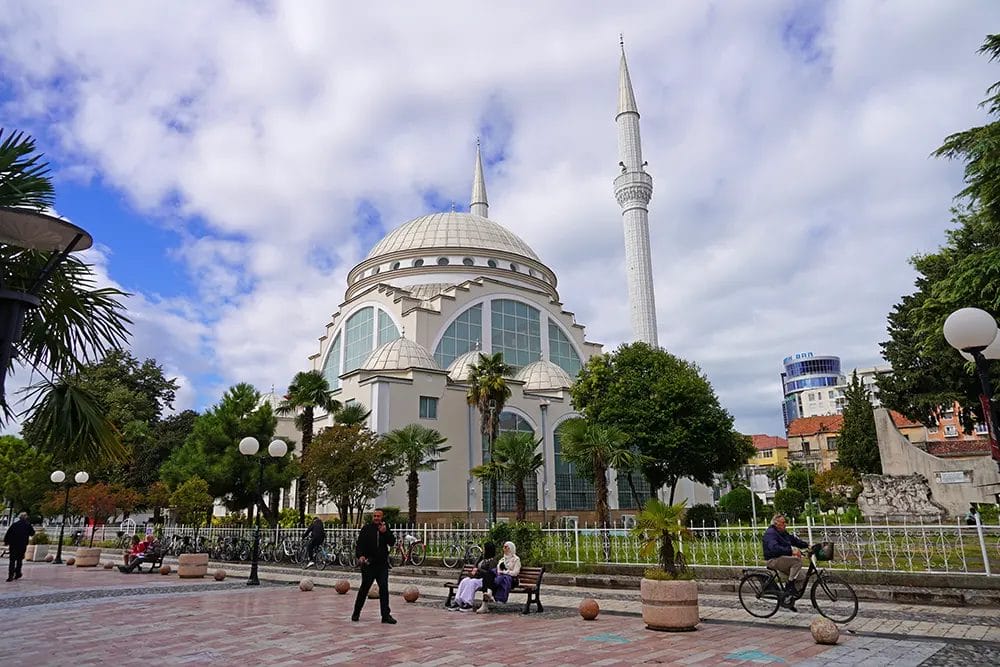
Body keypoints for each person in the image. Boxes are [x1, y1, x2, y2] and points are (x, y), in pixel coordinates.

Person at [352, 508, 397, 624]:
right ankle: (356, 612)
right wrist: (360, 556)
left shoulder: (385, 528)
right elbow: (360, 544)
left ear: (382, 517)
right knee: (364, 588)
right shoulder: (366, 529)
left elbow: (392, 542)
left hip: (381, 565)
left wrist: (385, 532)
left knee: (384, 589)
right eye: (375, 516)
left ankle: (385, 615)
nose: (376, 518)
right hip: (369, 564)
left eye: (379, 516)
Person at [762, 513, 809, 611]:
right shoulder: (771, 533)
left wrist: (807, 545)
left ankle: (788, 599)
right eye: (783, 523)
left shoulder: (782, 532)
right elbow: (774, 548)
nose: (785, 524)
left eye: (785, 522)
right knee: (797, 561)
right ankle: (790, 586)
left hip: (782, 559)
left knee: (801, 577)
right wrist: (791, 551)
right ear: (776, 523)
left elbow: (794, 540)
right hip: (773, 560)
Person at [448, 542, 497, 611]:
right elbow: (475, 566)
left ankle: (468, 603)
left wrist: (479, 571)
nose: (483, 550)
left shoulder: (492, 561)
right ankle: (458, 601)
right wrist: (473, 572)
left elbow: (490, 573)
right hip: (476, 577)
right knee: (465, 581)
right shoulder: (482, 558)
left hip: (484, 580)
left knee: (472, 582)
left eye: (484, 549)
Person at [480, 541, 521, 614]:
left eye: (506, 547)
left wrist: (505, 572)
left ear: (511, 548)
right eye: (503, 547)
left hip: (511, 580)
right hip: (499, 578)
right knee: (489, 574)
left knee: (498, 579)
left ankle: (489, 596)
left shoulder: (516, 559)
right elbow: (498, 570)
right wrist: (499, 572)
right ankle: (488, 594)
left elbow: (515, 572)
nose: (504, 549)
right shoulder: (502, 559)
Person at [3, 512, 35, 582]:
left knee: (12, 560)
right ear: (26, 517)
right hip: (22, 545)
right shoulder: (27, 525)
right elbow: (32, 533)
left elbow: (8, 533)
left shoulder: (14, 525)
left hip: (13, 545)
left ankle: (10, 576)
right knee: (19, 560)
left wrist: (6, 542)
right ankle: (17, 573)